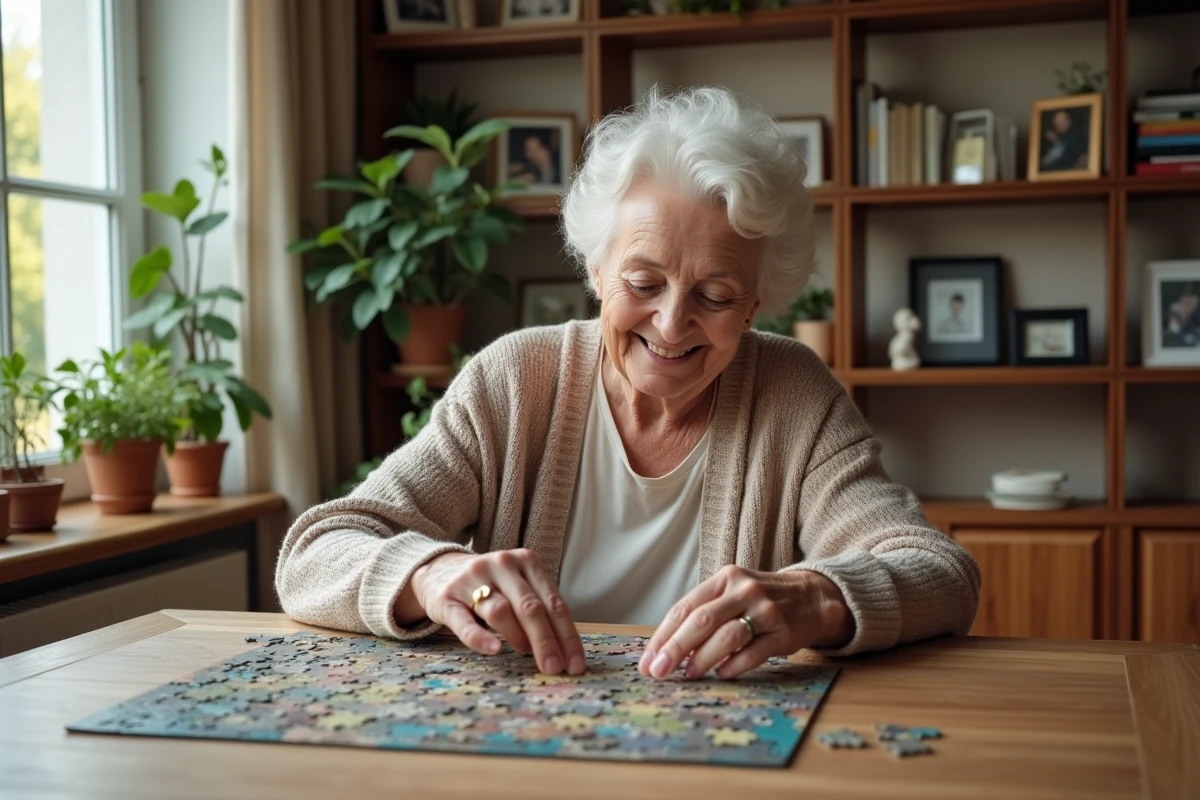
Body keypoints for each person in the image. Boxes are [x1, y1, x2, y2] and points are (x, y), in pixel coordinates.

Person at [277, 87, 981, 681]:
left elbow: (940, 573)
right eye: (644, 282)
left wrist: (817, 596)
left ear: (756, 305)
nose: (672, 325)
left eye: (715, 295)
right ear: (594, 269)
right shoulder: (514, 381)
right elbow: (315, 552)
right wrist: (428, 574)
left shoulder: (794, 394)